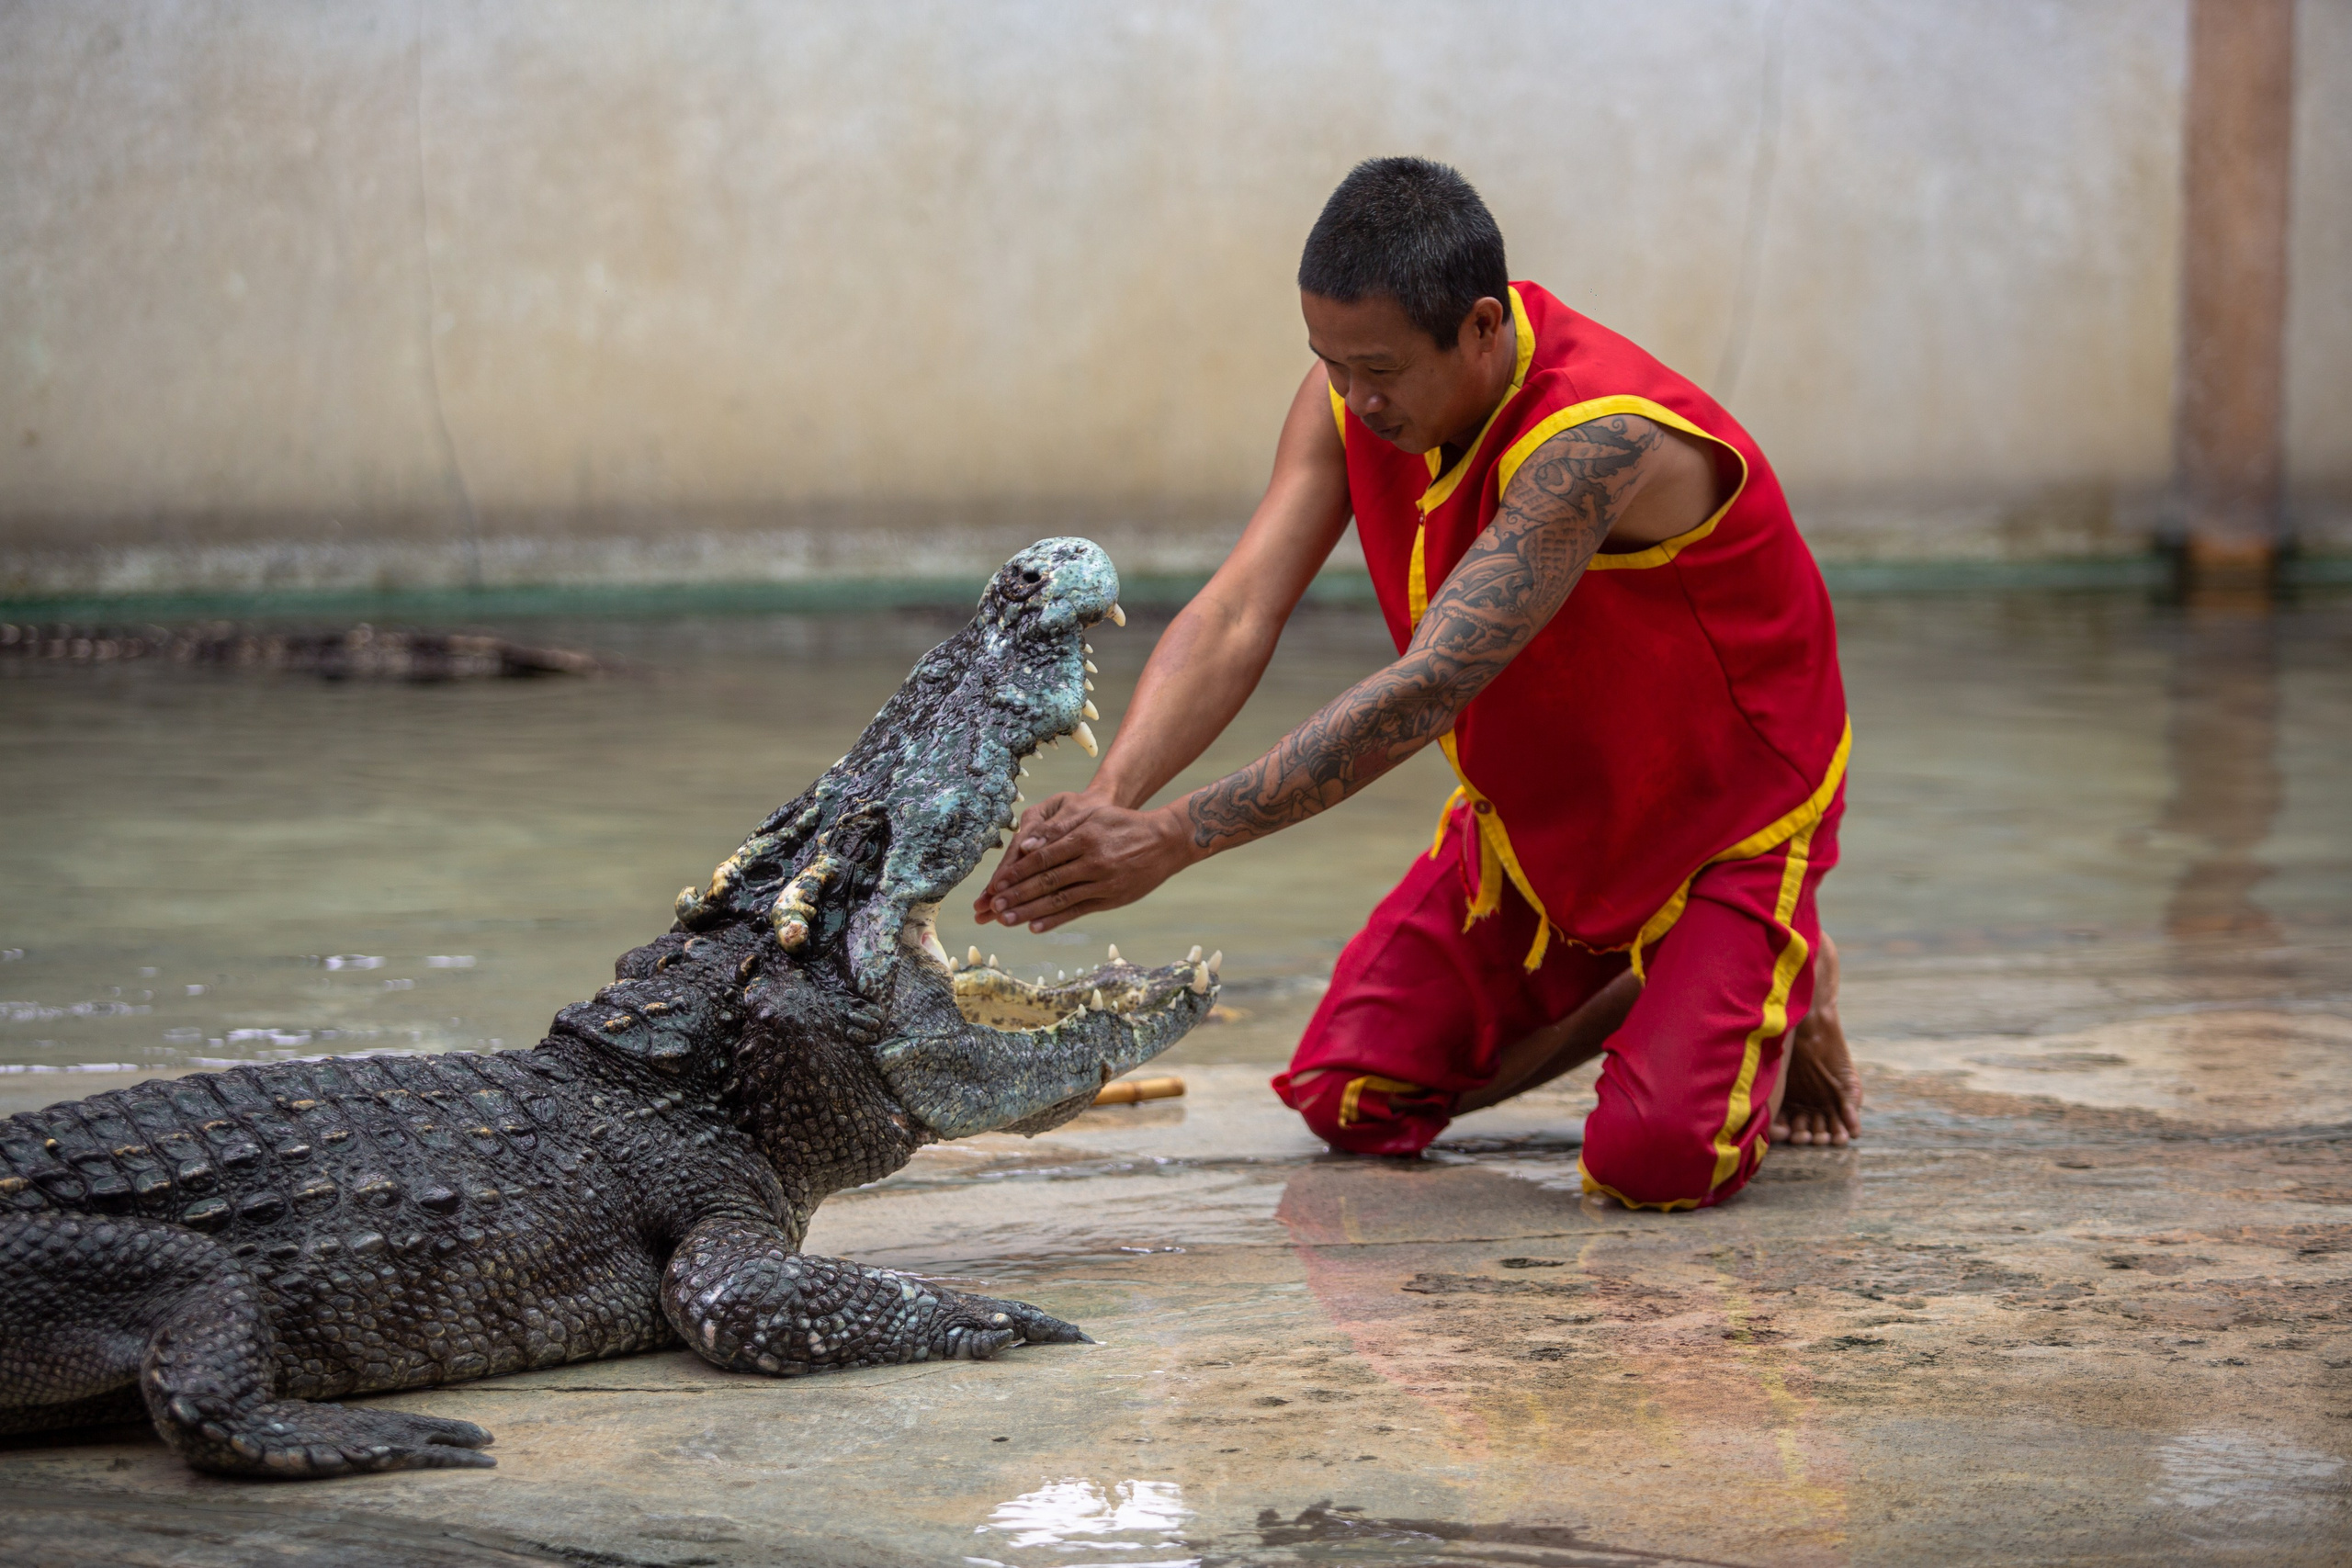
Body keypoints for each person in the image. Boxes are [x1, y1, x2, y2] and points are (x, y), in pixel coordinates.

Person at [974, 157, 1860, 1210]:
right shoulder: (1350, 394)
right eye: (1330, 362)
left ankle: (1788, 967)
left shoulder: (1594, 439)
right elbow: (1238, 610)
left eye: (1379, 369)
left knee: (1652, 1164)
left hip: (1728, 816)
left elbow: (1428, 687)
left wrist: (1173, 838)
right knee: (1347, 1102)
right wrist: (1111, 799)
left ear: (1480, 329)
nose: (1356, 399)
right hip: (1542, 812)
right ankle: (1669, 987)